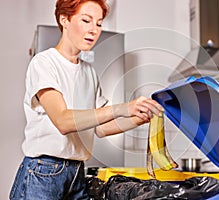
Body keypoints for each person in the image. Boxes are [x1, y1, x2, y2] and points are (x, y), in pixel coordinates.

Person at [9, 0, 164, 199]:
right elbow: (63, 121)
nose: (94, 30)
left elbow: (101, 128)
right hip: (44, 172)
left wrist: (140, 116)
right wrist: (122, 108)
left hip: (77, 173)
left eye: (98, 24)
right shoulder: (44, 63)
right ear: (64, 20)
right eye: (86, 20)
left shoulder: (88, 71)